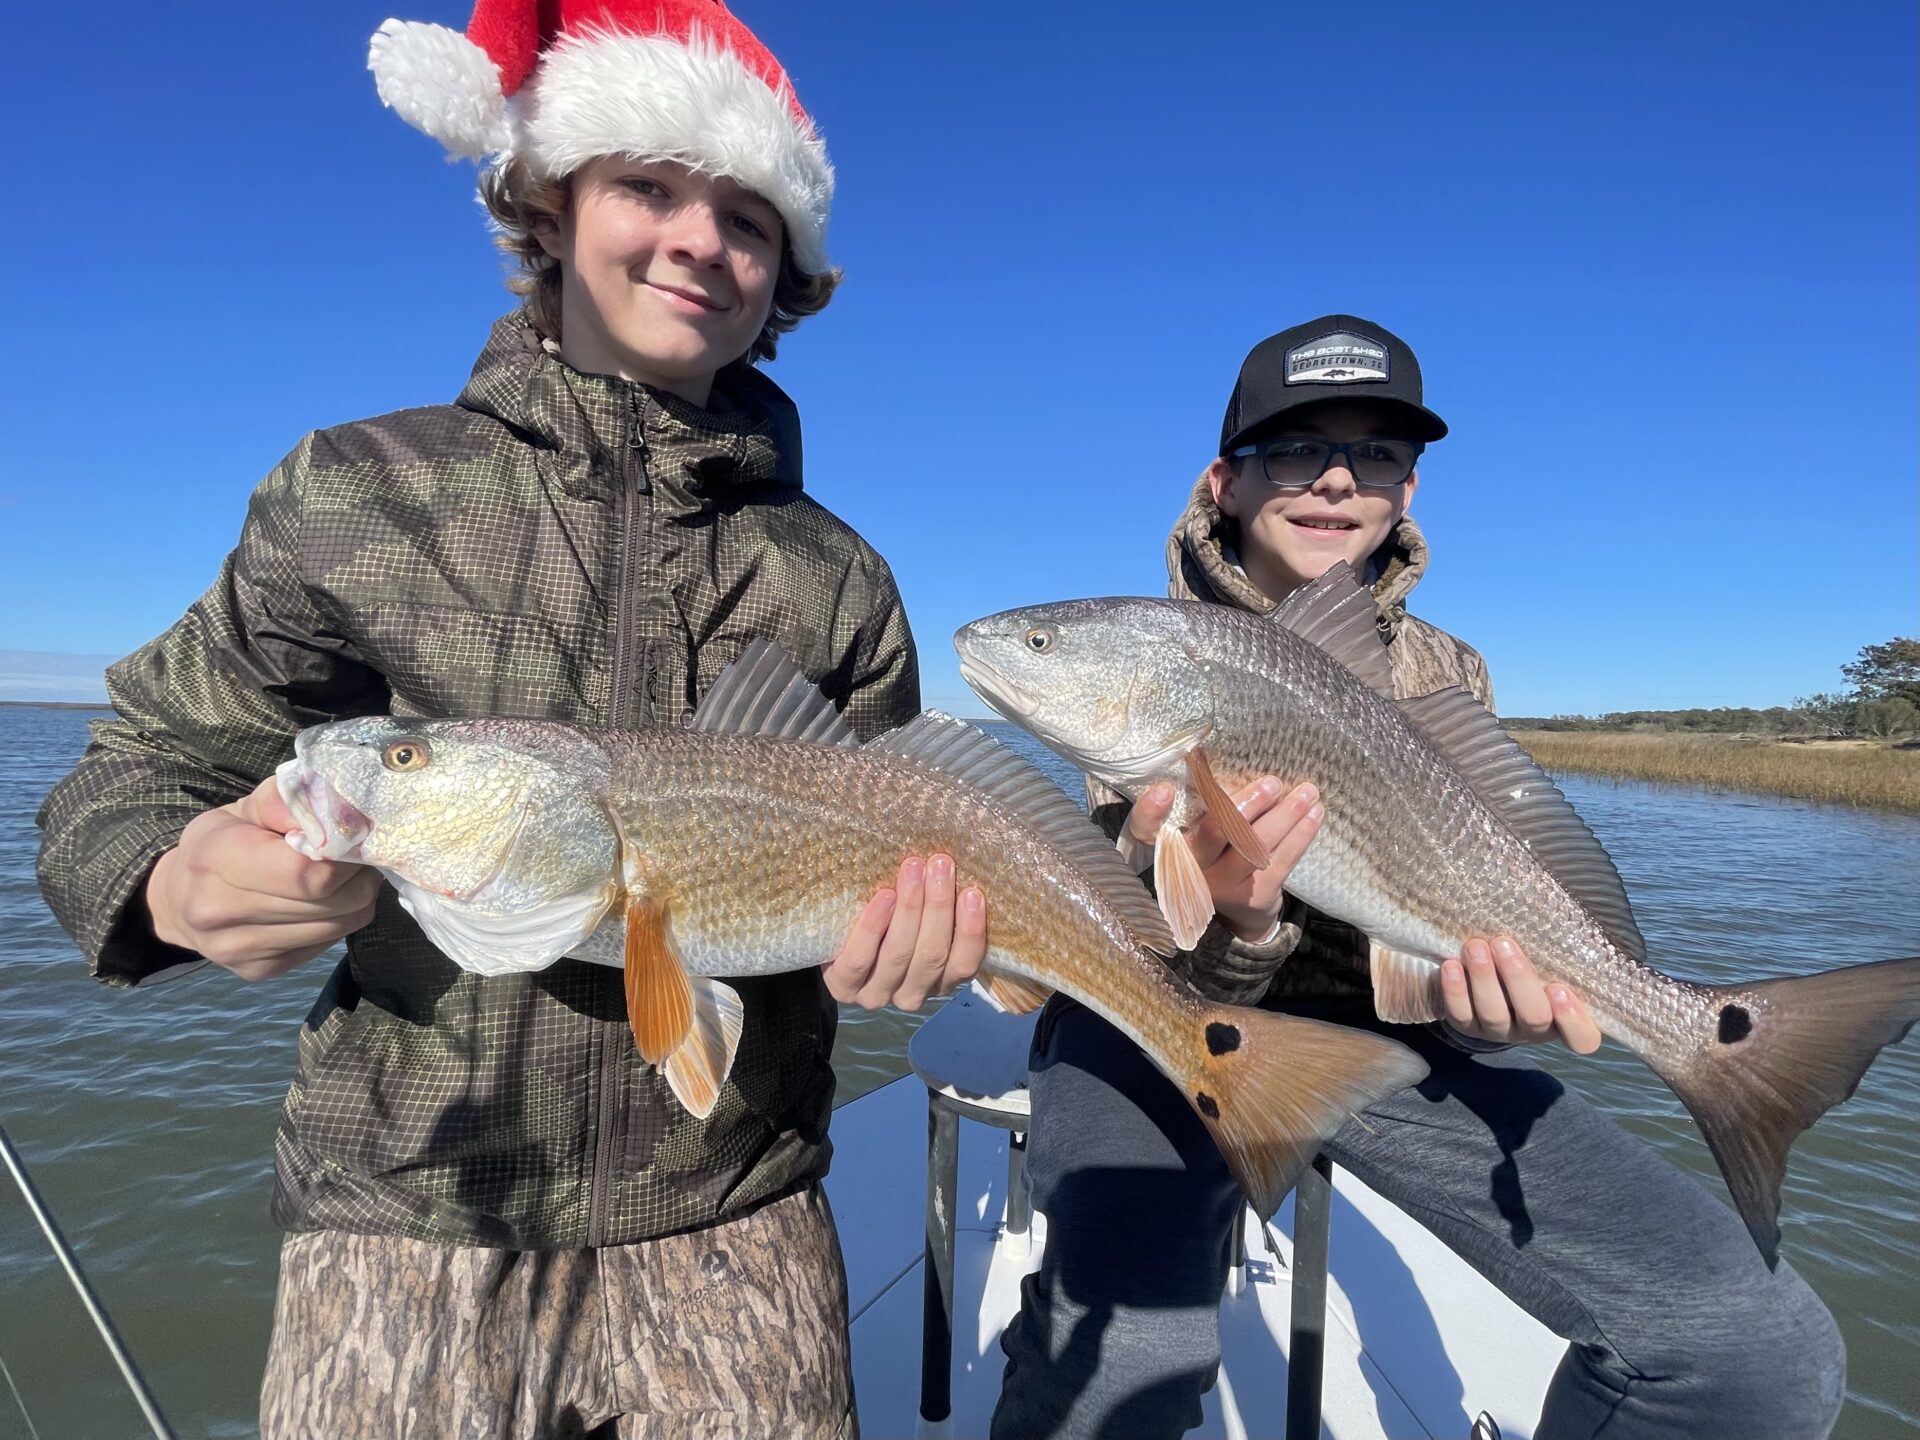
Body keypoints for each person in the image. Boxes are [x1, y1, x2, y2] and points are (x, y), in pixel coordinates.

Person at [35, 3, 984, 1436]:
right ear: (549, 205)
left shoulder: (837, 573)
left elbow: (907, 833)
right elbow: (142, 763)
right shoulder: (355, 492)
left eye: (746, 214)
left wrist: (908, 949)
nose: (696, 241)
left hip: (740, 1209)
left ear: (787, 267)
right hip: (409, 1211)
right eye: (647, 187)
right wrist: (168, 881)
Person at [990, 316, 1846, 1440]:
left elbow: (1450, 934)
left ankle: (1712, 1050)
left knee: (1761, 1351)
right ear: (1224, 481)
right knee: (1121, 1360)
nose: (1337, 479)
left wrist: (1491, 1008)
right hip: (1160, 1028)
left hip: (1401, 1047)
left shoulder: (1449, 672)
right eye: (1296, 448)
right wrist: (1238, 930)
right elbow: (1113, 941)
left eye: (1377, 454)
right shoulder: (1155, 650)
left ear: (1407, 490)